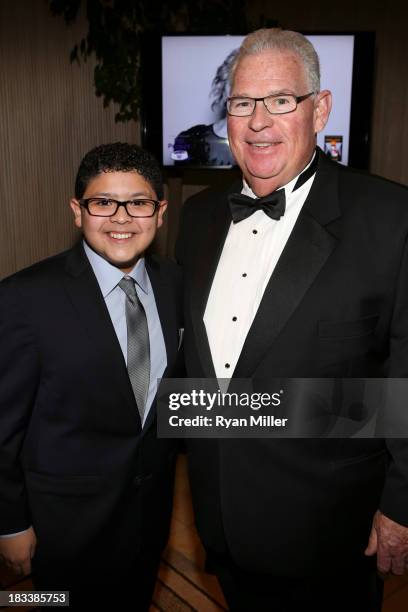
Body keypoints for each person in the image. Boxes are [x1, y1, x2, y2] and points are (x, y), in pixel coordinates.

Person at [176, 28, 408, 611]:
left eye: (281, 100)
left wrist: (403, 504)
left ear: (320, 108)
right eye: (242, 103)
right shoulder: (197, 217)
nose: (258, 122)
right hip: (219, 521)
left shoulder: (391, 217)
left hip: (331, 534)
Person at [0, 143, 183, 609]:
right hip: (64, 530)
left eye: (138, 203)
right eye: (103, 202)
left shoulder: (176, 284)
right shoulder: (24, 300)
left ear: (159, 213)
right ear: (77, 211)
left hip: (149, 519)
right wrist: (10, 523)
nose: (122, 218)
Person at [171, 49, 238, 167]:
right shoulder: (190, 139)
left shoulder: (268, 141)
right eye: (234, 81)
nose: (240, 91)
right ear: (224, 85)